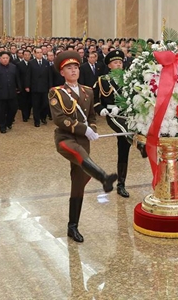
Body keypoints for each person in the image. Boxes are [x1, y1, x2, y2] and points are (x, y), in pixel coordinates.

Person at [49, 51, 117, 243]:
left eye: (76, 67)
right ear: (62, 72)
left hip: (83, 141)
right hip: (65, 139)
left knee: (78, 184)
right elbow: (59, 119)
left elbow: (92, 117)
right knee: (78, 154)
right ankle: (104, 177)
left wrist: (92, 129)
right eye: (69, 68)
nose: (73, 70)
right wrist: (82, 129)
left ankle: (73, 227)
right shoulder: (57, 92)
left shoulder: (88, 91)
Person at [94, 49, 139, 199]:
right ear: (109, 65)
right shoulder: (102, 80)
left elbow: (135, 97)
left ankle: (121, 184)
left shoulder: (129, 79)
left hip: (128, 114)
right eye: (115, 62)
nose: (118, 64)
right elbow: (95, 100)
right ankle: (140, 145)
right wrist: (101, 109)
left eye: (120, 62)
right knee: (125, 133)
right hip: (113, 115)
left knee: (123, 149)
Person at [0, 52, 21, 133]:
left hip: (12, 92)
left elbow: (17, 78)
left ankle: (9, 122)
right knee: (0, 111)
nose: (5, 59)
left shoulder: (13, 67)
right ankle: (2, 126)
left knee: (13, 109)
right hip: (0, 93)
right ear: (0, 59)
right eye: (3, 58)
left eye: (7, 58)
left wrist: (19, 88)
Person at [30, 48, 52, 127]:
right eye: (38, 53)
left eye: (40, 52)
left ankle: (43, 117)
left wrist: (50, 86)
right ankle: (37, 120)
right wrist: (27, 86)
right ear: (35, 54)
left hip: (44, 87)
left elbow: (49, 76)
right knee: (36, 105)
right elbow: (28, 75)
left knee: (45, 103)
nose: (39, 54)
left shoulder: (46, 63)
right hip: (35, 87)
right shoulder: (31, 63)